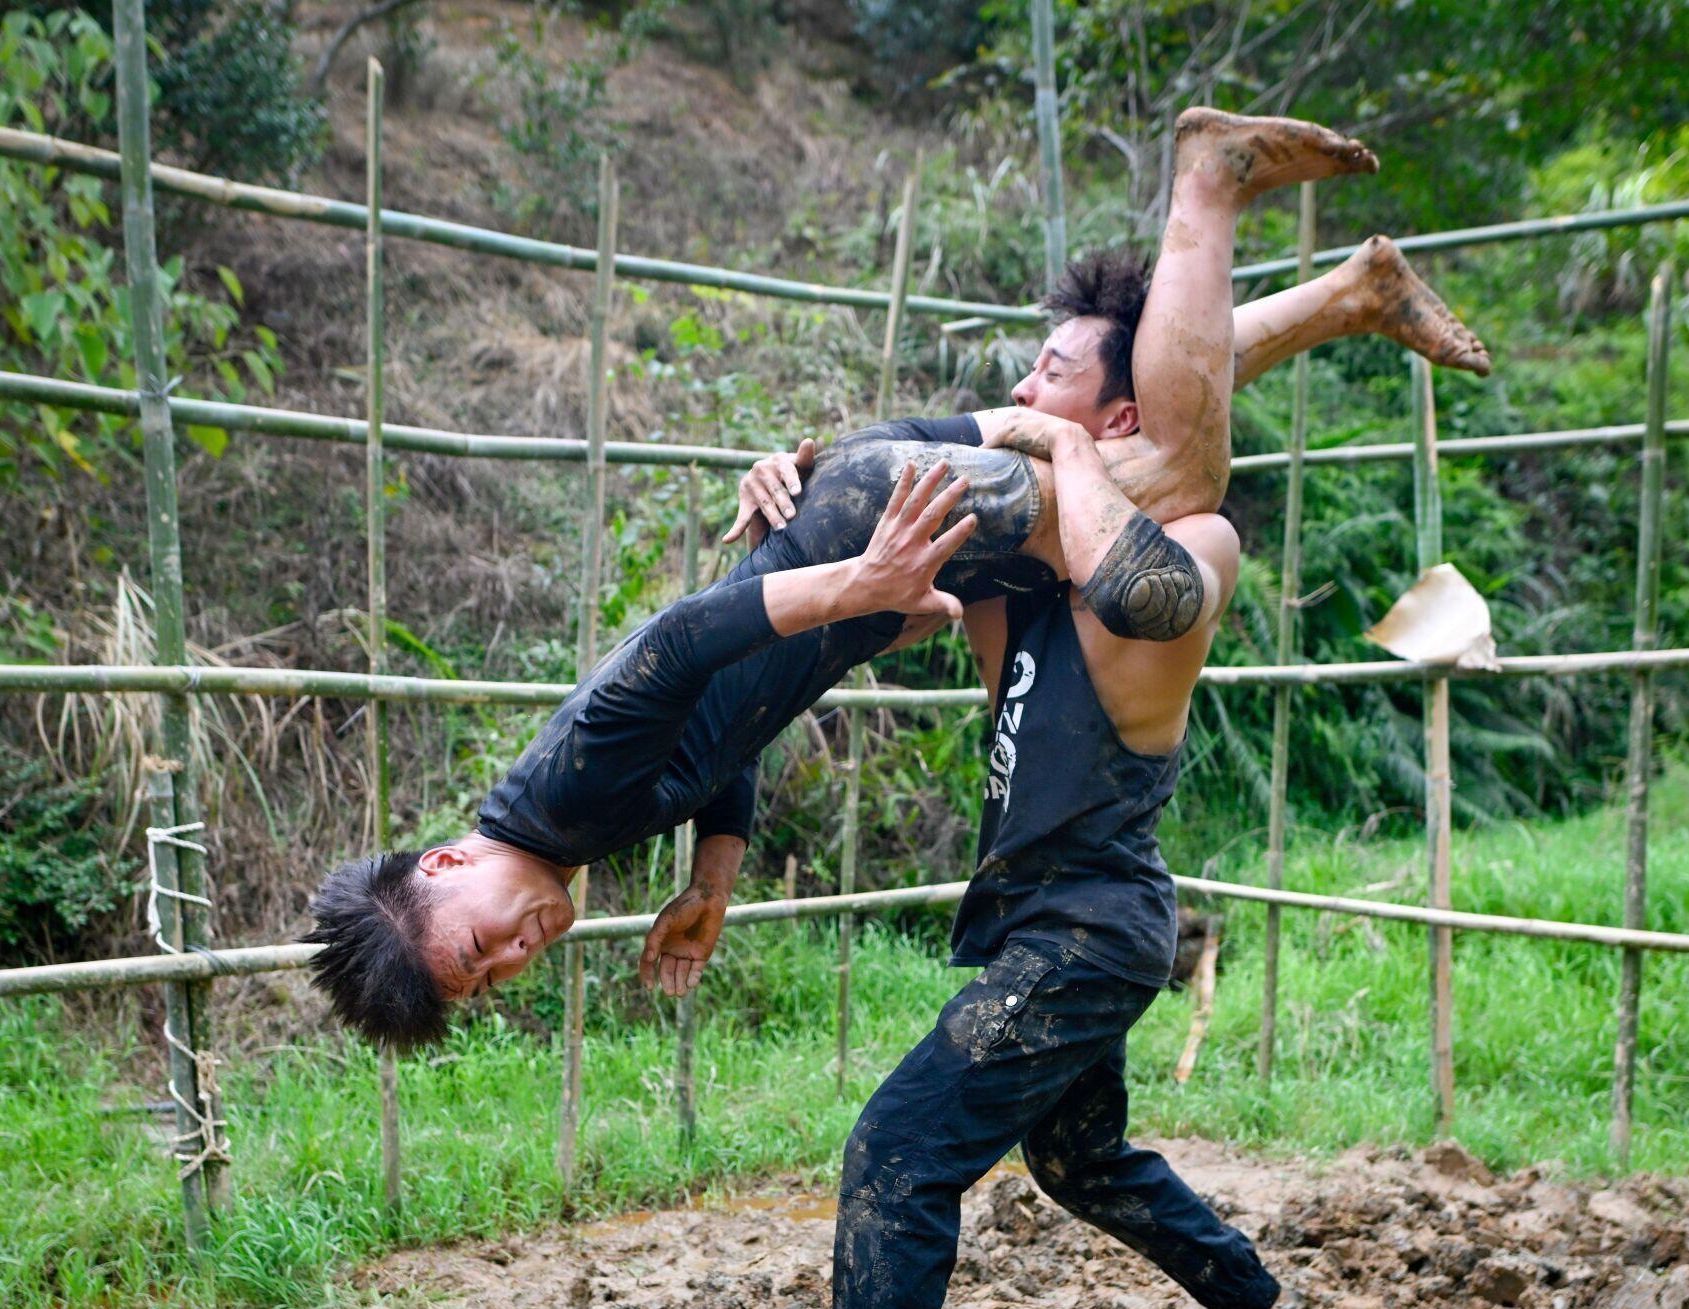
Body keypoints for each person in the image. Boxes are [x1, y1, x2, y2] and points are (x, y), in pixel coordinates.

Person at [306, 108, 1490, 1047]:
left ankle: (1208, 177)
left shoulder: (554, 799)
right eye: (493, 983)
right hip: (856, 507)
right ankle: (1347, 296)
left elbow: (676, 644)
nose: (517, 957)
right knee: (1138, 451)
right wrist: (714, 873)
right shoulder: (566, 826)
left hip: (873, 521)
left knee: (1170, 473)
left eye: (477, 950)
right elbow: (714, 729)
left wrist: (859, 587)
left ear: (447, 867)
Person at [705, 112, 1343, 1309]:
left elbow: (1152, 512)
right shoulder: (1015, 566)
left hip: (1092, 923)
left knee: (898, 1151)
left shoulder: (1182, 560)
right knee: (1081, 1155)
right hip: (1040, 924)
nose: (1016, 389)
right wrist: (784, 479)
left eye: (1051, 373)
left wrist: (1073, 441)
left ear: (1119, 423)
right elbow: (890, 538)